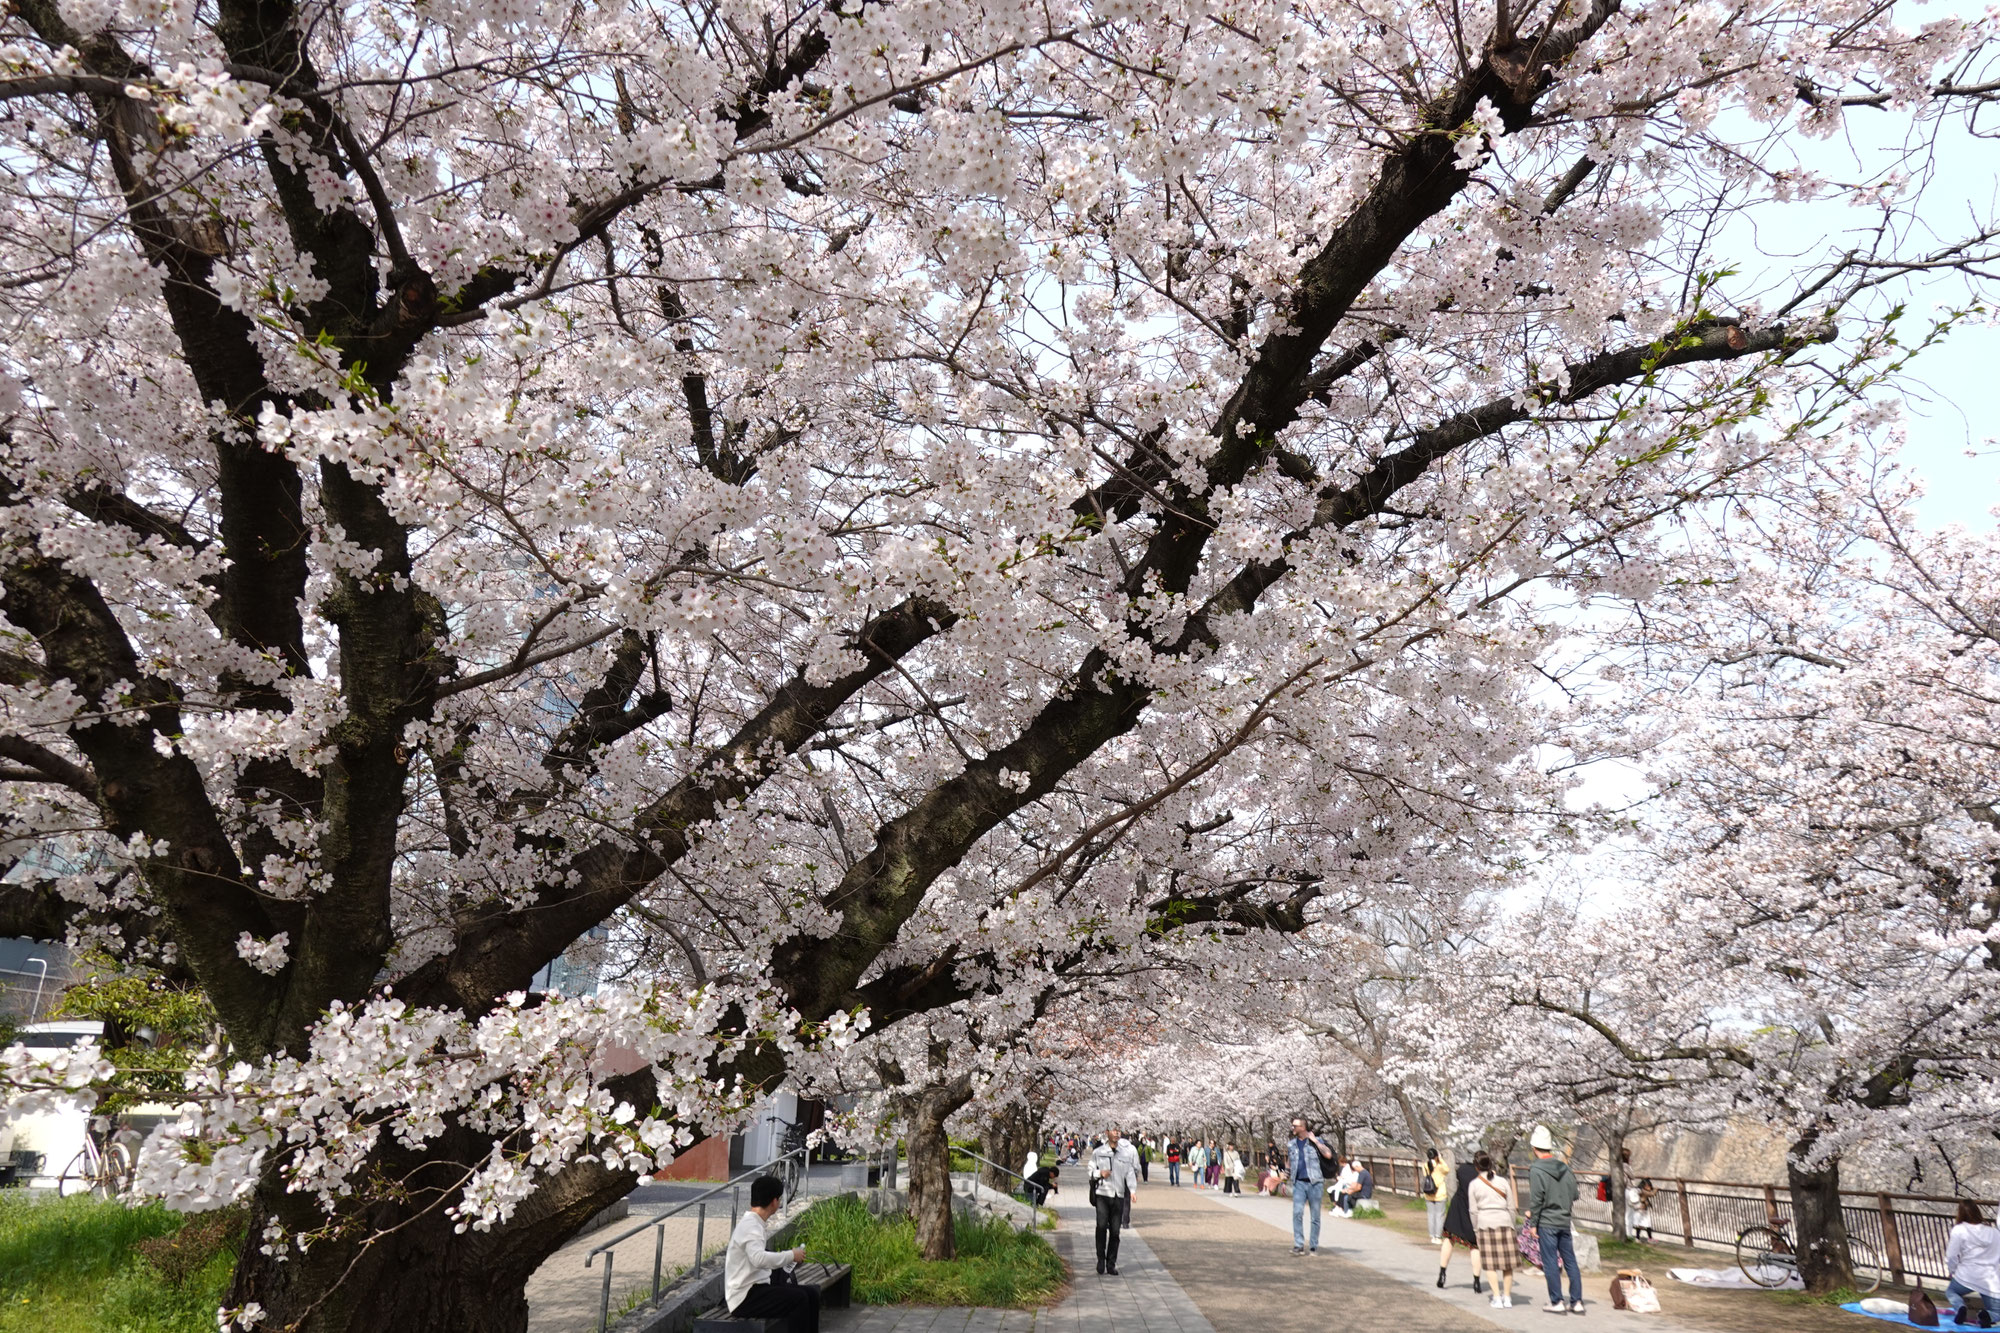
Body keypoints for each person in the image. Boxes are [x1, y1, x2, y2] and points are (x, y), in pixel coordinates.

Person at [725, 1175, 818, 1332]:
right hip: (744, 1297)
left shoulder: (754, 1223)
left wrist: (788, 1257)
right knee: (799, 1299)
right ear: (775, 1202)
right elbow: (758, 1259)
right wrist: (791, 1255)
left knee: (811, 1293)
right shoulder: (751, 1226)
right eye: (779, 1199)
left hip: (757, 1289)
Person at [1526, 1125, 1584, 1315]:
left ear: (1535, 1148)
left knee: (1550, 1261)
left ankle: (1557, 1300)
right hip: (1564, 1221)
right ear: (1549, 1148)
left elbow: (1536, 1199)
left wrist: (1533, 1223)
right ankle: (1577, 1302)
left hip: (1547, 1222)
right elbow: (1575, 1194)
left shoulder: (1536, 1169)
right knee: (1570, 1261)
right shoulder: (1565, 1168)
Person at [1088, 1125, 1141, 1275]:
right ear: (1107, 1133)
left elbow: (1130, 1172)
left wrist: (1132, 1190)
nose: (1117, 1133)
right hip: (1103, 1194)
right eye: (1113, 1130)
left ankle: (1111, 1263)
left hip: (1118, 1195)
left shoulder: (1125, 1154)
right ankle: (1100, 1259)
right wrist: (1099, 1173)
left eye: (1119, 1130)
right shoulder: (1098, 1152)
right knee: (1101, 1226)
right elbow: (1090, 1170)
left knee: (1116, 1232)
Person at [1469, 1152, 1517, 1310]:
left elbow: (1473, 1211)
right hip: (1504, 1223)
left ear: (1476, 1167)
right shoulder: (1503, 1181)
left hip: (1485, 1225)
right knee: (1507, 1264)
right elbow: (1511, 1206)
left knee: (1490, 1264)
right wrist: (1512, 1223)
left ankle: (1497, 1297)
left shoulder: (1474, 1184)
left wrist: (1476, 1229)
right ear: (1491, 1164)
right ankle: (1508, 1297)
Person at [1947, 1201, 2000, 1326]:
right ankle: (1986, 1315)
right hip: (1990, 1280)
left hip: (1966, 1276)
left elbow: (1951, 1256)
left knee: (1951, 1291)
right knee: (1997, 1312)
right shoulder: (1994, 1233)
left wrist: (1952, 1271)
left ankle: (1960, 1308)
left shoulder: (1959, 1230)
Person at [1286, 1118, 1334, 1255]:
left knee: (1315, 1216)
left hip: (1315, 1182)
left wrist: (1316, 1141)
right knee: (1297, 1213)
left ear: (1302, 1127)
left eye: (1295, 1126)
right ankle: (1299, 1244)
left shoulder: (1315, 1141)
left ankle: (1313, 1245)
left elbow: (1328, 1155)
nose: (1292, 1128)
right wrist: (1286, 1173)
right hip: (1299, 1182)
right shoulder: (1291, 1144)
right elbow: (1289, 1160)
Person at [1438, 1157, 1482, 1293]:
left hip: (1457, 1208)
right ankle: (1476, 1281)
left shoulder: (1461, 1170)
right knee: (1475, 1246)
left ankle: (1442, 1273)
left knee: (1449, 1239)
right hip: (1474, 1210)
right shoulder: (1481, 1173)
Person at [1421, 1147, 1451, 1242]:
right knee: (1439, 1215)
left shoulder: (1425, 1166)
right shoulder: (1440, 1167)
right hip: (1440, 1194)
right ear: (1436, 1156)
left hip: (1428, 1194)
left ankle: (1432, 1236)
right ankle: (1438, 1236)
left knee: (1431, 1215)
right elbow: (1447, 1169)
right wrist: (1440, 1159)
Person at [1626, 1177, 1657, 1242]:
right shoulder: (1641, 1191)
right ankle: (1645, 1238)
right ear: (1644, 1186)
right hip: (1640, 1209)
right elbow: (1652, 1194)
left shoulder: (1639, 1190)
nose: (1649, 1187)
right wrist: (1656, 1189)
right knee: (1642, 1224)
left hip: (1642, 1209)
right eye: (1648, 1186)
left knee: (1646, 1224)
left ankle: (1643, 1238)